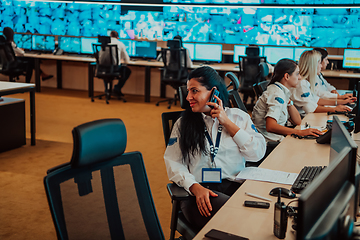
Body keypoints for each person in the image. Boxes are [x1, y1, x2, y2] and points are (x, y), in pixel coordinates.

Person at [163, 66, 266, 229]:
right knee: (243, 219)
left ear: (213, 92)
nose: (188, 96)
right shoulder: (183, 124)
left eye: (194, 91)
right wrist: (194, 187)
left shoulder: (239, 117)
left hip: (236, 186)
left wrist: (227, 122)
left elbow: (257, 154)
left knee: (266, 211)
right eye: (188, 91)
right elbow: (173, 162)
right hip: (200, 193)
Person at [252, 58, 323, 144]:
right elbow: (270, 126)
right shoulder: (277, 94)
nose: (300, 77)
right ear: (287, 76)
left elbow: (297, 121)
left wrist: (289, 102)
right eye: (297, 74)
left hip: (276, 138)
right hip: (270, 142)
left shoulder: (282, 92)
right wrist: (301, 132)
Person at [290, 50, 356, 116]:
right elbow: (311, 108)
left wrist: (341, 102)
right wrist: (334, 109)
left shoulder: (306, 82)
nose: (321, 66)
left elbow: (316, 100)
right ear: (313, 65)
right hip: (303, 118)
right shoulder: (301, 84)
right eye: (319, 63)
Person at [108, 30, 131, 97]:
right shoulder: (120, 44)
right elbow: (127, 61)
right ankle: (117, 88)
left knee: (106, 73)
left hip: (103, 68)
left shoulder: (104, 43)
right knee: (128, 71)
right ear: (118, 37)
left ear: (110, 36)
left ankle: (107, 90)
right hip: (115, 68)